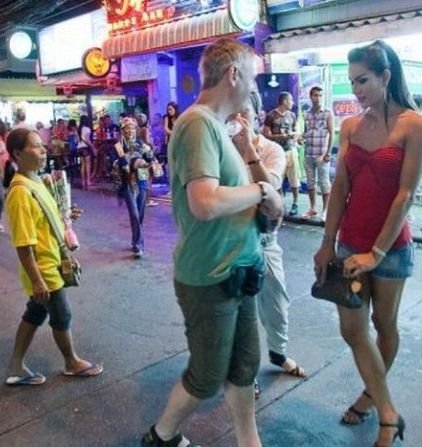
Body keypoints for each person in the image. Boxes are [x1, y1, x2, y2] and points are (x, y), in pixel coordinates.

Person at [141, 38, 283, 447]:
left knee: (243, 367)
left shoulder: (218, 127)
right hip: (209, 275)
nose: (255, 88)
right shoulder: (197, 123)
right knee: (206, 375)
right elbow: (203, 203)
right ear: (233, 74)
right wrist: (260, 192)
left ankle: (248, 441)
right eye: (252, 78)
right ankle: (162, 435)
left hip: (238, 271)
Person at [313, 40, 422, 447]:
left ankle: (371, 401)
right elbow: (340, 185)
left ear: (386, 76)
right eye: (351, 82)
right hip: (348, 246)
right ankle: (388, 411)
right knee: (353, 330)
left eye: (362, 80)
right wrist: (328, 241)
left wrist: (375, 253)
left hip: (391, 249)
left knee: (384, 325)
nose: (356, 89)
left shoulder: (415, 124)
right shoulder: (350, 126)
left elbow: (406, 194)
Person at [4, 128, 103, 386]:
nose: (43, 150)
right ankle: (71, 362)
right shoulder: (20, 192)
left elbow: (46, 219)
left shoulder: (35, 180)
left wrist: (66, 216)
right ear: (17, 153)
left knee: (36, 313)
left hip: (53, 260)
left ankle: (16, 367)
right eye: (36, 146)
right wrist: (37, 280)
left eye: (42, 145)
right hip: (42, 266)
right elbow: (23, 244)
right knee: (61, 314)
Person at [236, 91, 306, 391]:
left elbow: (272, 191)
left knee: (277, 303)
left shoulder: (271, 149)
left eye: (244, 113)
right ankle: (245, 376)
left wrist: (246, 150)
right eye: (231, 113)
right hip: (234, 241)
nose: (237, 120)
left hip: (266, 239)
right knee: (243, 312)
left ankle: (278, 354)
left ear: (256, 114)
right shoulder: (219, 149)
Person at [113, 117, 155, 259]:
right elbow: (116, 164)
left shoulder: (140, 143)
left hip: (142, 180)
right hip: (127, 183)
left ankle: (135, 239)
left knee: (140, 214)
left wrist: (149, 154)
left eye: (132, 128)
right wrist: (127, 161)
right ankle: (138, 245)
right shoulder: (118, 146)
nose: (130, 131)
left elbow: (150, 158)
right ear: (122, 130)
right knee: (134, 214)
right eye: (127, 128)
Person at [263, 92, 301, 216]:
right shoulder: (271, 116)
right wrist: (280, 136)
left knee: (294, 178)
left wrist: (295, 136)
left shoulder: (292, 115)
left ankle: (295, 203)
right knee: (277, 179)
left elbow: (295, 130)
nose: (292, 103)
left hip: (291, 150)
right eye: (291, 100)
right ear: (284, 101)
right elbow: (266, 134)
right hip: (277, 153)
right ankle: (279, 204)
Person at [302, 86, 334, 221]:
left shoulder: (327, 113)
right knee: (310, 182)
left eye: (320, 95)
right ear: (311, 96)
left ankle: (326, 210)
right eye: (315, 95)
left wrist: (328, 153)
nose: (318, 98)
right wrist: (301, 137)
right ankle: (313, 208)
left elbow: (332, 133)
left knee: (324, 182)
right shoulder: (307, 113)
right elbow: (307, 131)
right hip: (309, 152)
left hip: (321, 153)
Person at [76, 115, 95, 190]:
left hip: (79, 148)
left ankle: (83, 182)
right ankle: (88, 181)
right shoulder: (87, 129)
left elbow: (77, 140)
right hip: (85, 148)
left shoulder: (79, 129)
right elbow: (87, 140)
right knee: (88, 165)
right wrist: (93, 147)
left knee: (82, 165)